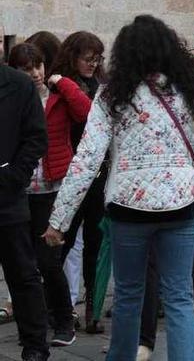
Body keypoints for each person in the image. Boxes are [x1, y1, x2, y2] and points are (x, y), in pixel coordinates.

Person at [43, 15, 194, 360]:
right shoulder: (188, 91)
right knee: (178, 296)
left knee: (128, 294)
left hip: (128, 207)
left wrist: (59, 221)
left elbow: (86, 160)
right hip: (183, 202)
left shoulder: (110, 96)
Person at [8, 44, 91, 347]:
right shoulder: (13, 99)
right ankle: (34, 324)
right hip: (21, 190)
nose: (35, 74)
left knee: (49, 260)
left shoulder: (56, 97)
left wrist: (62, 81)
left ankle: (64, 319)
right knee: (23, 263)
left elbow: (85, 112)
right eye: (26, 68)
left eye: (38, 66)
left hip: (52, 189)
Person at [50, 30, 107, 334]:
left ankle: (93, 311)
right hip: (69, 176)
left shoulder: (100, 85)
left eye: (97, 59)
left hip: (98, 176)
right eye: (88, 58)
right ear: (73, 56)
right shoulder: (59, 85)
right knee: (63, 241)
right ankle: (59, 309)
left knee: (95, 246)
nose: (93, 64)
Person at [0, 51, 50, 361]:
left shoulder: (19, 85)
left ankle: (35, 346)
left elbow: (36, 138)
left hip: (6, 197)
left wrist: (13, 175)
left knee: (22, 274)